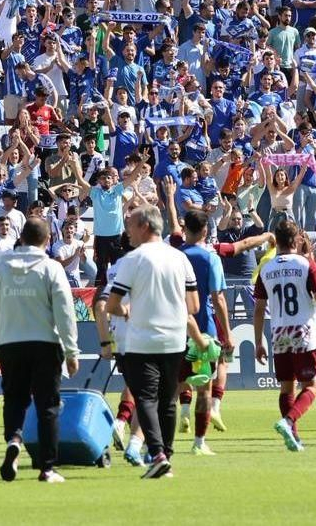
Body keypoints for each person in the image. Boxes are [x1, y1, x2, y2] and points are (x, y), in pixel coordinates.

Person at [101, 205, 213, 480]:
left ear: (145, 227)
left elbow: (112, 304)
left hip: (142, 340)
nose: (127, 231)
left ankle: (158, 454)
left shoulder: (132, 260)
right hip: (175, 339)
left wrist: (126, 311)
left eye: (131, 225)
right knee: (168, 400)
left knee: (146, 399)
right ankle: (166, 455)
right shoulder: (180, 258)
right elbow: (194, 305)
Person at [0, 215, 80, 484]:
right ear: (48, 240)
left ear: (22, 238)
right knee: (47, 405)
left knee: (14, 399)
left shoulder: (2, 270)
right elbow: (65, 312)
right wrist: (72, 351)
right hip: (45, 344)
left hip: (11, 344)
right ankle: (47, 467)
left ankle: (14, 439)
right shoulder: (51, 268)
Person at [252, 219, 316, 452]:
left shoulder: (266, 268)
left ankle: (293, 436)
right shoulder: (306, 265)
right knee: (313, 385)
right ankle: (288, 421)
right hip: (303, 331)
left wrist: (258, 342)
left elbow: (258, 308)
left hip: (278, 332)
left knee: (287, 387)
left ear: (277, 240)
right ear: (297, 240)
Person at [177, 211, 230, 455]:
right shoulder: (211, 257)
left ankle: (151, 443)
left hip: (176, 327)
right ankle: (199, 442)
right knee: (204, 388)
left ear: (185, 227)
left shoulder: (175, 256)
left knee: (170, 386)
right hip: (204, 328)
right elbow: (217, 298)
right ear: (206, 231)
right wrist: (227, 334)